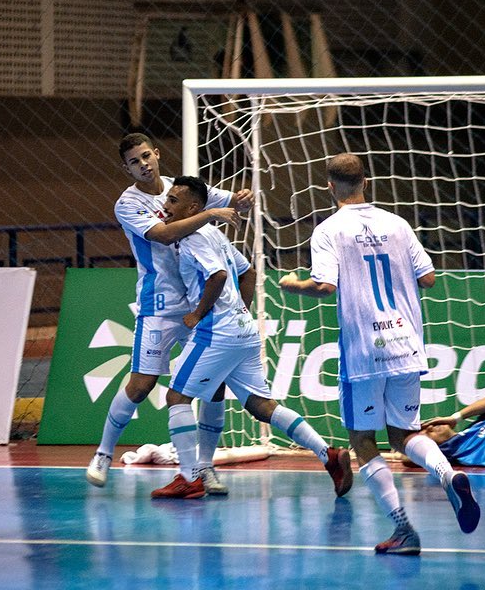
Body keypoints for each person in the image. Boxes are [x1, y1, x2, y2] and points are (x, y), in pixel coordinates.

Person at [279, 152, 479, 555]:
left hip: (363, 350)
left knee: (362, 438)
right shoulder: (398, 224)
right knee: (405, 433)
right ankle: (447, 473)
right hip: (406, 341)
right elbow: (429, 278)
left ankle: (403, 529)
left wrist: (292, 283)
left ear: (330, 186)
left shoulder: (328, 230)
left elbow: (325, 287)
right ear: (366, 182)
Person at [150, 176, 353, 499]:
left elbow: (217, 276)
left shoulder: (193, 239)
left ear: (193, 207)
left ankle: (189, 478)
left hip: (216, 330)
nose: (166, 205)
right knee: (261, 406)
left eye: (173, 200)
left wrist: (198, 314)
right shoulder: (214, 235)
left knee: (177, 399)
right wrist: (239, 313)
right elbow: (249, 273)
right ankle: (327, 454)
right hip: (243, 331)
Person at [86, 133, 251, 495]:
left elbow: (233, 204)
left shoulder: (181, 189)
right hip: (159, 305)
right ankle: (103, 453)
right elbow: (162, 235)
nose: (143, 164)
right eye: (134, 161)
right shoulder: (127, 204)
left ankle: (204, 468)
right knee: (141, 385)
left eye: (146, 156)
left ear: (157, 154)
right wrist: (211, 214)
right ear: (125, 168)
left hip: (199, 303)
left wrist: (242, 200)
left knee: (213, 386)